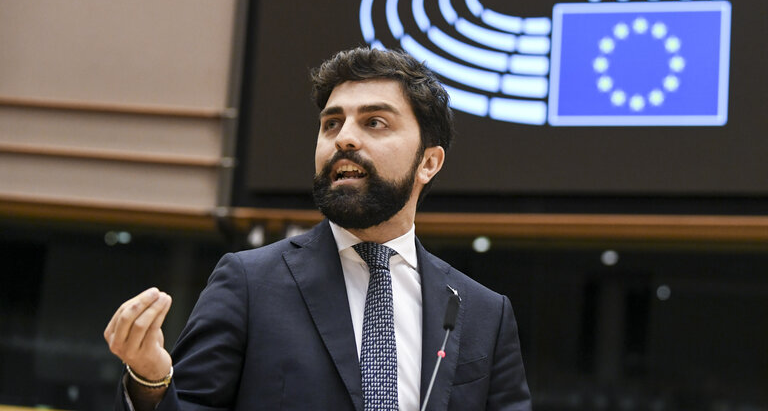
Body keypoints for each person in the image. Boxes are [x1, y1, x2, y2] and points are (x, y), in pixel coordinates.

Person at [104, 47, 532, 411]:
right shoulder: (249, 283)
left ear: (428, 162)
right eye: (332, 123)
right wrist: (151, 381)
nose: (344, 138)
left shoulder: (484, 313)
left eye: (374, 122)